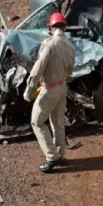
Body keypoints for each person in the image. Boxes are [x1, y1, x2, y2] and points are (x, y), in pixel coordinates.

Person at [24, 12, 75, 173]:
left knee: (37, 122)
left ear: (51, 28)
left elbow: (38, 69)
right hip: (62, 88)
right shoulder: (70, 46)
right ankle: (60, 154)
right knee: (58, 123)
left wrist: (29, 88)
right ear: (64, 27)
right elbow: (71, 70)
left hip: (49, 89)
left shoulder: (49, 45)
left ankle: (52, 157)